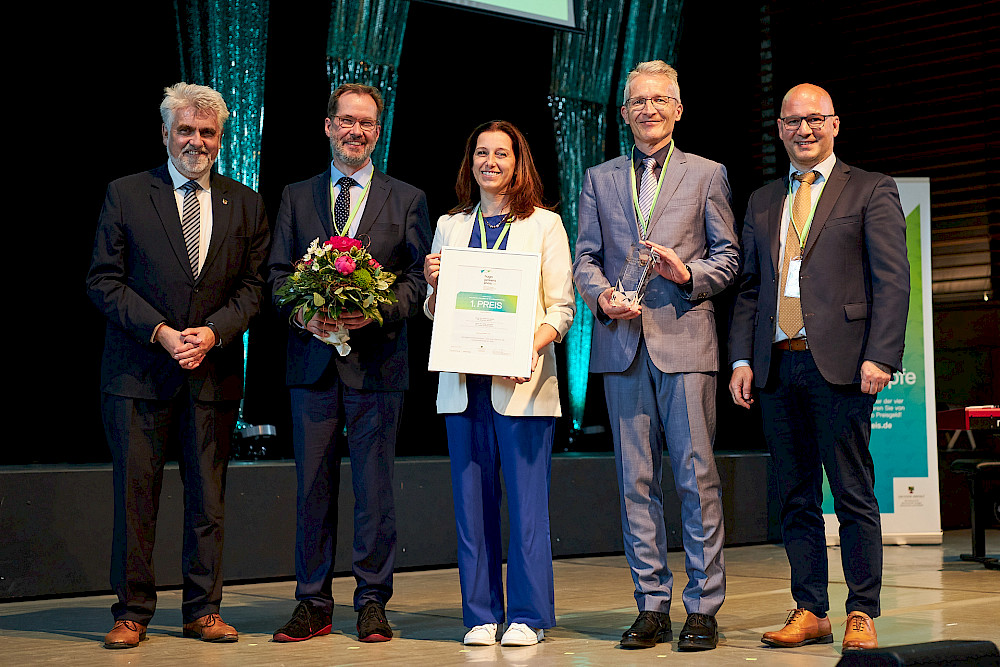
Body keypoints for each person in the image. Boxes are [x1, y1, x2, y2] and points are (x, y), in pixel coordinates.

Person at [86, 82, 270, 649]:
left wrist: (213, 332)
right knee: (135, 497)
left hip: (212, 374)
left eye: (207, 132)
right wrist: (162, 333)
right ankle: (132, 611)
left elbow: (254, 287)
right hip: (138, 373)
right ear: (165, 133)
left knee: (207, 500)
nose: (196, 141)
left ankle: (203, 610)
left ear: (220, 139)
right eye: (185, 130)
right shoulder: (126, 193)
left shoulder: (245, 201)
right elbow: (103, 280)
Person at [728, 83, 908, 652]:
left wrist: (881, 354)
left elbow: (892, 281)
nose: (803, 129)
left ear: (834, 124)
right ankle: (811, 608)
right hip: (778, 366)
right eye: (791, 121)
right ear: (779, 128)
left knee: (853, 492)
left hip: (844, 364)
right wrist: (741, 359)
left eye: (814, 120)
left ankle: (861, 610)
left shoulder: (871, 189)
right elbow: (751, 289)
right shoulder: (761, 200)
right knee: (794, 496)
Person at [572, 60, 739, 651]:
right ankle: (651, 605)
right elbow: (583, 259)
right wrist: (601, 296)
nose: (648, 109)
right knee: (634, 481)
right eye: (638, 101)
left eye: (658, 100)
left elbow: (729, 259)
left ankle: (702, 607)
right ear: (624, 113)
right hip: (622, 348)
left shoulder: (707, 174)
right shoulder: (599, 178)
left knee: (697, 479)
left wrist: (685, 271)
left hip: (686, 345)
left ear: (678, 108)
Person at [267, 83, 431, 644]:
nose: (355, 131)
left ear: (377, 132)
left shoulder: (406, 198)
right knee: (311, 489)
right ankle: (312, 603)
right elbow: (277, 276)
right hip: (311, 368)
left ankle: (371, 602)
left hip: (377, 368)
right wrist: (303, 315)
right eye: (346, 121)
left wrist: (375, 311)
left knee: (374, 490)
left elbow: (416, 282)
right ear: (329, 126)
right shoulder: (296, 195)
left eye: (367, 123)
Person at [423, 121, 575, 647]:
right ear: (471, 162)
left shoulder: (545, 225)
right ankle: (481, 613)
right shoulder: (450, 225)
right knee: (471, 505)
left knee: (528, 507)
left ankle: (529, 615)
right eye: (481, 152)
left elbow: (562, 309)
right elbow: (437, 313)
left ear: (518, 162)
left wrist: (524, 349)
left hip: (523, 383)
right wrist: (434, 284)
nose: (491, 161)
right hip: (463, 385)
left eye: (502, 154)